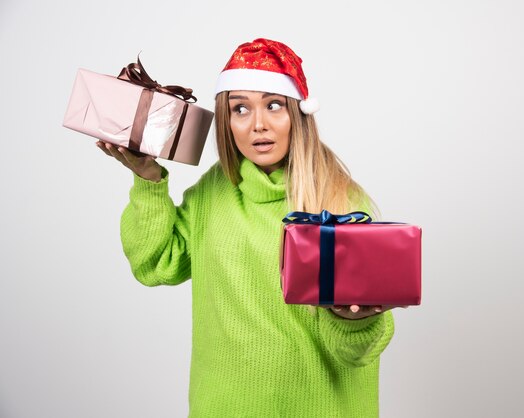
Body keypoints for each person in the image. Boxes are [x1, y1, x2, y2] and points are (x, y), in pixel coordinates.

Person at [96, 38, 402, 417]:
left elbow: (356, 354)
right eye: (240, 108)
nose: (258, 124)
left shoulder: (340, 203)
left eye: (274, 105)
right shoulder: (215, 191)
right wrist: (148, 180)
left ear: (298, 114)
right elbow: (156, 263)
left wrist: (354, 320)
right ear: (227, 122)